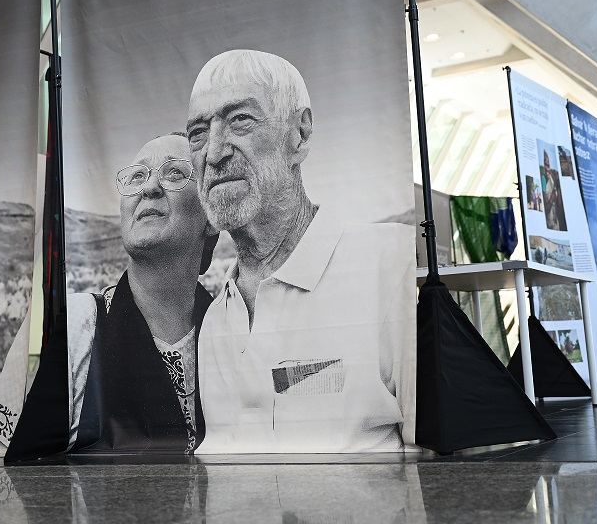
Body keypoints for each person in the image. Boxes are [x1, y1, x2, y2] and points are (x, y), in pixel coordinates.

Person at [185, 49, 413, 453]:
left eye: (240, 120)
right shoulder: (217, 323)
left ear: (300, 135)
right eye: (198, 133)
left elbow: (453, 467)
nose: (214, 152)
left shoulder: (389, 267)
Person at [69, 132, 217, 453]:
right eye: (137, 176)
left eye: (174, 173)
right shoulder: (71, 328)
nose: (149, 188)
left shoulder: (230, 334)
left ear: (212, 213)